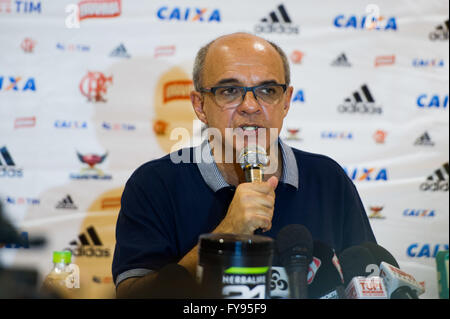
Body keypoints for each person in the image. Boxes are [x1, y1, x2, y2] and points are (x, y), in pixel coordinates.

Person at [112, 32, 376, 298]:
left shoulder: (328, 179)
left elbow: (368, 277)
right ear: (200, 105)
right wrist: (228, 231)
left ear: (286, 101)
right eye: (229, 91)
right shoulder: (154, 184)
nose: (250, 106)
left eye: (267, 91)